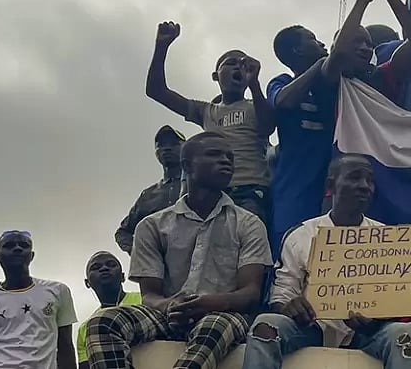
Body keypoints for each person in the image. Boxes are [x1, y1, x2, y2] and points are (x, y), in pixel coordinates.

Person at [84, 133, 271, 369]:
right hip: (167, 315)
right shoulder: (152, 225)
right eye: (214, 154)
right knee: (102, 322)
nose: (226, 161)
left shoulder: (249, 223)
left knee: (213, 326)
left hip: (226, 315)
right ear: (187, 165)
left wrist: (210, 303)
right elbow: (149, 295)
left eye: (230, 157)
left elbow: (250, 293)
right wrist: (170, 306)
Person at [242, 155, 411, 369]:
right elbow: (282, 294)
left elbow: (397, 300)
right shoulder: (301, 235)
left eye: (370, 180)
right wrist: (290, 307)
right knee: (265, 326)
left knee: (403, 333)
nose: (365, 186)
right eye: (354, 177)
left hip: (366, 334)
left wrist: (377, 320)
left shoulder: (388, 239)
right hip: (310, 329)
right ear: (330, 185)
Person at [146, 23, 275, 222]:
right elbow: (156, 90)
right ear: (216, 76)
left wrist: (255, 84)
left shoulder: (255, 105)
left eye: (242, 64)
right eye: (230, 63)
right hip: (213, 191)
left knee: (248, 240)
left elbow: (268, 127)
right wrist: (161, 47)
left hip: (251, 191)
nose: (238, 67)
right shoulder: (206, 111)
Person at [0, 231, 76, 369]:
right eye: (9, 245)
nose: (17, 248)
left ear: (31, 255)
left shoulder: (58, 291)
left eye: (24, 245)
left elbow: (66, 347)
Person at [267, 24, 337, 253]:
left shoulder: (332, 83)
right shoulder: (281, 81)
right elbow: (284, 101)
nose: (321, 44)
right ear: (297, 50)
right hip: (293, 187)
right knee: (290, 252)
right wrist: (319, 65)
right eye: (313, 39)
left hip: (329, 185)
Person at [115, 125, 186, 254]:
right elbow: (123, 232)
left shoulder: (199, 186)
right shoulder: (148, 195)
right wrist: (141, 253)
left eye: (174, 144)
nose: (167, 148)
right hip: (158, 269)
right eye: (161, 145)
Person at [75, 251, 141, 369]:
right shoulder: (86, 329)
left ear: (122, 277)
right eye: (96, 267)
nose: (104, 268)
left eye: (111, 265)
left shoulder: (144, 300)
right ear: (87, 283)